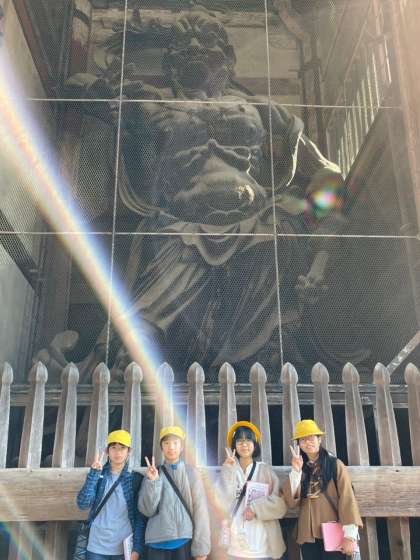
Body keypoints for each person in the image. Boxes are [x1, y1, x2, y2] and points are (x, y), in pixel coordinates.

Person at [282, 420, 362, 559]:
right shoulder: (301, 467)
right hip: (308, 534)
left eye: (311, 438)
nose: (308, 442)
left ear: (319, 439)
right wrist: (296, 471)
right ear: (299, 444)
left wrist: (350, 536)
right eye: (303, 440)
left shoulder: (334, 464)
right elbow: (291, 501)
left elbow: (347, 498)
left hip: (334, 531)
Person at [138, 425, 211, 560]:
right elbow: (147, 510)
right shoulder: (153, 473)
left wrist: (201, 548)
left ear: (181, 447)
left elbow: (200, 510)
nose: (171, 447)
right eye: (166, 443)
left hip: (183, 542)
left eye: (175, 443)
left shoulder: (191, 473)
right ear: (162, 447)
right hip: (156, 542)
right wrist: (153, 482)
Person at [219, 421, 287, 560]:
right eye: (240, 441)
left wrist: (256, 508)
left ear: (255, 445)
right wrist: (227, 471)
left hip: (261, 542)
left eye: (248, 440)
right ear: (234, 445)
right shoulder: (228, 469)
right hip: (234, 543)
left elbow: (280, 504)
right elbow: (220, 502)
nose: (244, 445)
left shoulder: (264, 470)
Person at [76, 429, 146, 560]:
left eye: (122, 448)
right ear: (107, 451)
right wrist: (93, 475)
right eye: (113, 447)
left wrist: (137, 549)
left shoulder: (135, 479)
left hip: (123, 548)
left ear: (129, 451)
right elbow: (83, 504)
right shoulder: (99, 475)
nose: (118, 452)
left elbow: (139, 519)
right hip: (96, 546)